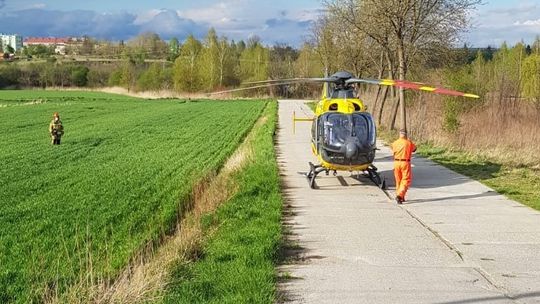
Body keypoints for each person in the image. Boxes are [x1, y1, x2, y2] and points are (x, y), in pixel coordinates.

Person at [391, 129, 416, 204]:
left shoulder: (394, 143)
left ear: (399, 134)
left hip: (396, 163)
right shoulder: (408, 143)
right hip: (405, 163)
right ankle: (400, 195)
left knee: (398, 180)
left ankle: (401, 197)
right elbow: (414, 149)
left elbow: (392, 149)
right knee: (406, 180)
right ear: (406, 135)